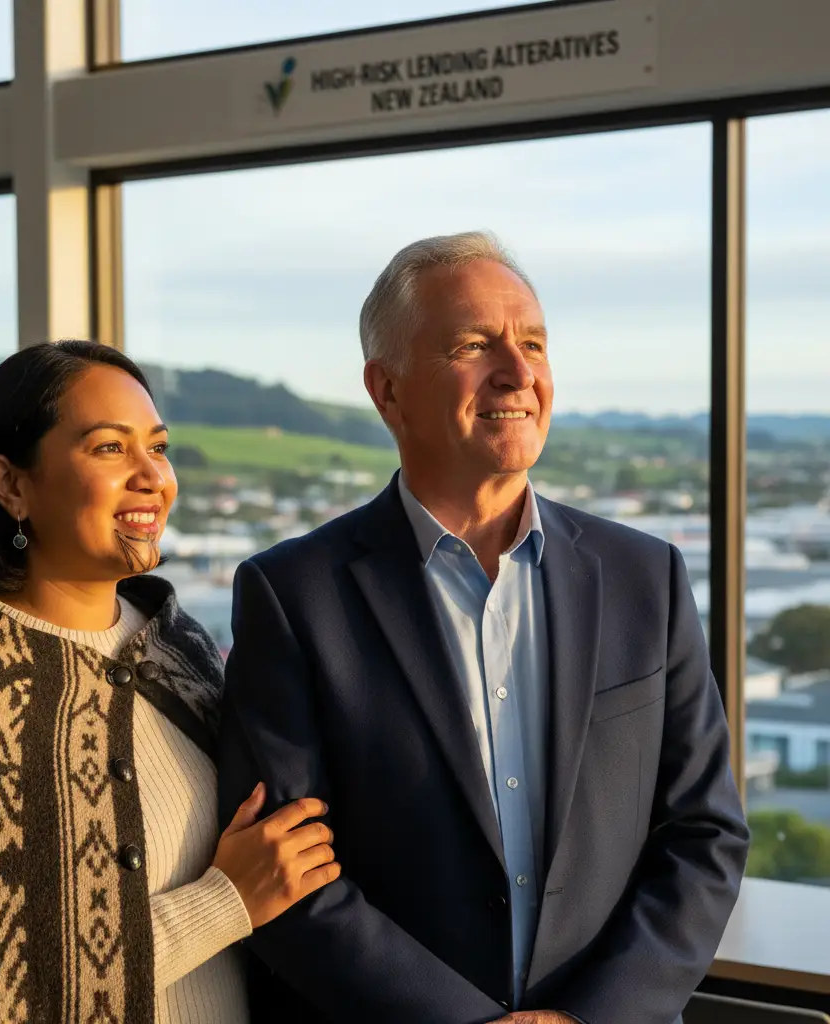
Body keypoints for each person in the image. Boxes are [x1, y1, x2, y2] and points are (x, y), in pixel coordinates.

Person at [218, 232, 750, 1024]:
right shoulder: (294, 595)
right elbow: (287, 875)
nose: (519, 371)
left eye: (533, 342)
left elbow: (703, 835)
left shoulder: (648, 578)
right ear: (386, 391)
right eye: (474, 344)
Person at [0, 341, 339, 1023]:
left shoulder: (177, 652)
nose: (153, 476)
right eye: (109, 449)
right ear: (11, 485)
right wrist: (225, 902)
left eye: (159, 446)